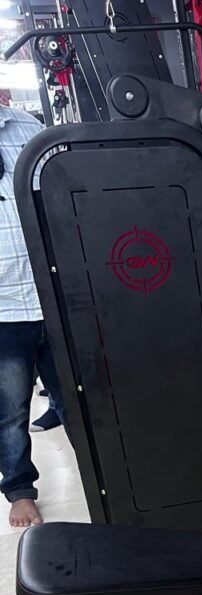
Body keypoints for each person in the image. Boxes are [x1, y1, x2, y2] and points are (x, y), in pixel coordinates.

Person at [0, 102, 67, 527]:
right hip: (3, 307)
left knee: (78, 398)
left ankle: (104, 475)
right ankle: (20, 490)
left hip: (54, 294)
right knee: (9, 410)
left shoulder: (28, 128)